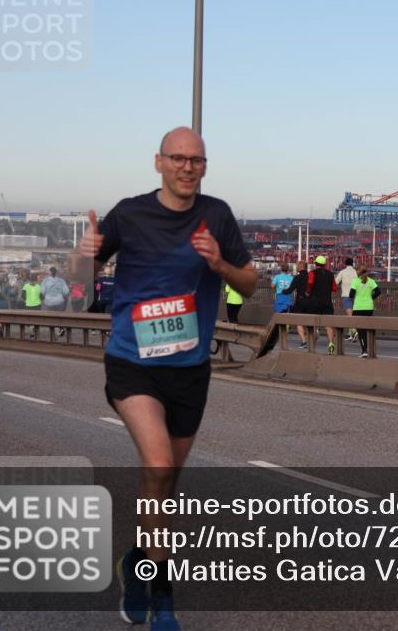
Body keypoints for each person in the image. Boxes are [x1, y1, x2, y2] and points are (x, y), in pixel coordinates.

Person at [70, 126, 257, 631]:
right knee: (156, 464)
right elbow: (81, 278)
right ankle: (163, 598)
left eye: (196, 159)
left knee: (165, 485)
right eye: (177, 158)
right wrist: (84, 252)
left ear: (205, 166)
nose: (186, 167)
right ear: (158, 162)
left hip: (189, 371)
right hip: (132, 364)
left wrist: (220, 262)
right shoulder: (129, 213)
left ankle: (136, 563)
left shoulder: (217, 214)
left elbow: (250, 280)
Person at [305, 255, 338, 353]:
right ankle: (331, 343)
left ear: (316, 264)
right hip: (327, 302)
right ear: (324, 264)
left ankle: (312, 348)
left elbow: (310, 283)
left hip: (315, 302)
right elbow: (334, 288)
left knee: (314, 325)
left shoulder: (312, 273)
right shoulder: (330, 274)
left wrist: (307, 292)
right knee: (328, 325)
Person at [349, 266, 380, 358]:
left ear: (358, 272)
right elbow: (378, 292)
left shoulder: (355, 281)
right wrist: (371, 297)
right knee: (369, 329)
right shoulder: (371, 281)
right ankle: (372, 349)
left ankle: (364, 350)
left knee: (361, 332)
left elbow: (351, 295)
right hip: (369, 308)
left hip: (358, 308)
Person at [284, 263, 313, 349]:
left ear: (301, 267)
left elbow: (290, 290)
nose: (296, 267)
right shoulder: (311, 276)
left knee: (299, 322)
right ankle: (313, 336)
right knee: (309, 322)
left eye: (297, 266)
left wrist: (282, 292)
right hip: (311, 302)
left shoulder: (297, 277)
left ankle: (304, 342)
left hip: (300, 302)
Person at [335, 257, 359, 341]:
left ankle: (354, 331)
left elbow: (336, 282)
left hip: (346, 295)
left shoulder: (342, 272)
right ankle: (350, 334)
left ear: (345, 264)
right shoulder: (355, 272)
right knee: (352, 314)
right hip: (355, 295)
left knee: (349, 314)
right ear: (352, 264)